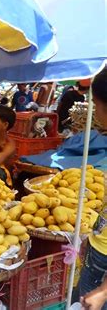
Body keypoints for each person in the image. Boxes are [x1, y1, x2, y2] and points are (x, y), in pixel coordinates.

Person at [78, 68, 107, 310]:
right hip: (99, 248)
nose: (95, 111)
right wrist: (93, 236)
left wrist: (104, 291)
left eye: (96, 104)